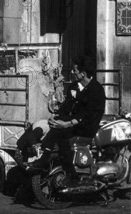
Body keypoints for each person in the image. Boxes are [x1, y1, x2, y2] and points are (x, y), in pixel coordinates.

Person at [28, 55, 106, 184]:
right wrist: (56, 117)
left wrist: (67, 124)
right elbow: (66, 106)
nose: (72, 72)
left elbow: (89, 115)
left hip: (87, 127)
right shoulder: (74, 86)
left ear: (83, 73)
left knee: (60, 132)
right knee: (55, 127)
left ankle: (67, 171)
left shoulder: (96, 90)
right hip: (75, 123)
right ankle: (46, 158)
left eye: (74, 70)